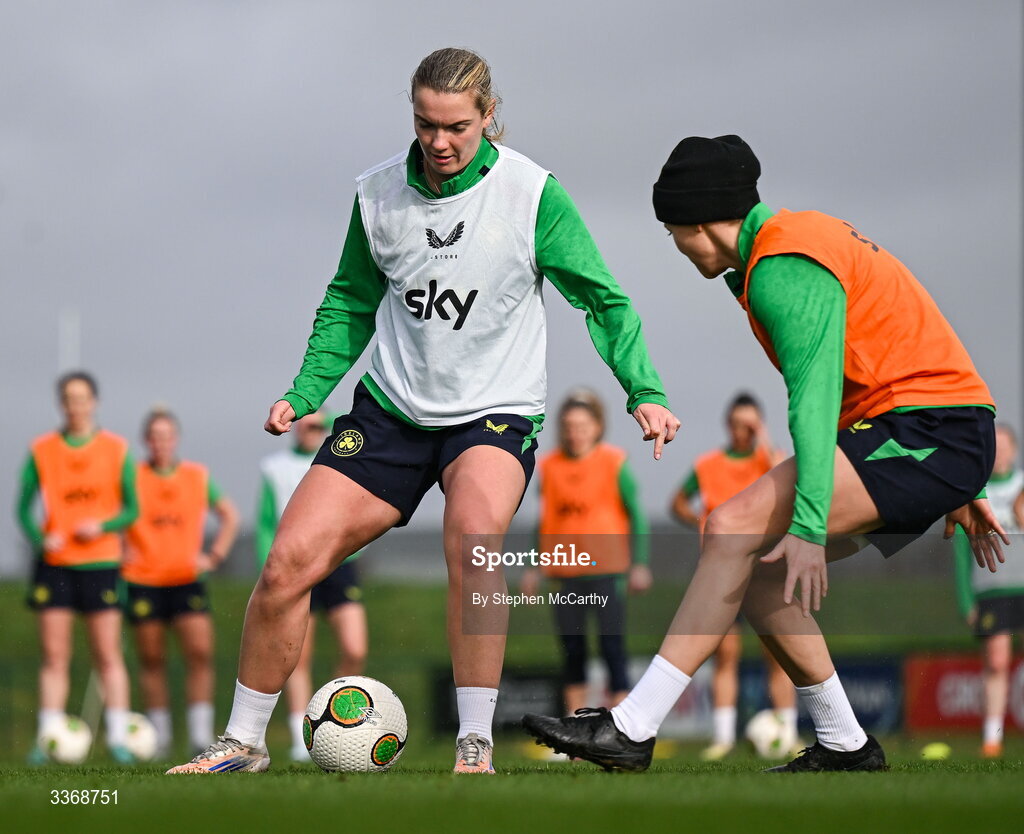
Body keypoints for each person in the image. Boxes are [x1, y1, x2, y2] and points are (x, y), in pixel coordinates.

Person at [167, 47, 678, 775]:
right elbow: (349, 301)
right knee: (285, 565)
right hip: (391, 414)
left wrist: (645, 391)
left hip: (493, 414)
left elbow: (604, 299)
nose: (439, 142)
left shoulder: (533, 194)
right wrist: (304, 392)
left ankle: (474, 744)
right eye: (425, 123)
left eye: (457, 127)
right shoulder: (377, 194)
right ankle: (242, 743)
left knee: (474, 541)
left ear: (489, 116)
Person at [523, 134, 1007, 773]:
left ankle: (632, 727)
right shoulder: (789, 245)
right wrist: (960, 482)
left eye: (673, 231)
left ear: (701, 222)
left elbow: (813, 399)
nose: (674, 246)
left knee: (730, 526)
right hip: (930, 436)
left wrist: (809, 525)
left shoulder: (783, 265)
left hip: (929, 434)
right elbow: (893, 357)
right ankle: (845, 744)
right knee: (755, 570)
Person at [18, 371, 140, 764]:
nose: (76, 405)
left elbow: (133, 510)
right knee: (54, 656)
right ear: (61, 404)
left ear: (94, 402)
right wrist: (41, 538)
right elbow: (22, 508)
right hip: (56, 565)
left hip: (101, 563)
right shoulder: (42, 450)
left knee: (107, 654)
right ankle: (46, 737)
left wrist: (103, 526)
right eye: (69, 398)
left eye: (83, 397)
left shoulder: (116, 449)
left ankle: (119, 738)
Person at [671, 392, 795, 759]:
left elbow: (790, 483)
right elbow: (679, 501)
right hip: (724, 571)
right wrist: (701, 522)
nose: (745, 431)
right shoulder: (708, 464)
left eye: (752, 424)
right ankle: (723, 737)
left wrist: (766, 437)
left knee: (779, 652)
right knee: (726, 654)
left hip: (768, 566)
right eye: (740, 423)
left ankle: (786, 734)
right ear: (728, 424)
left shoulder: (770, 460)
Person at [522, 389, 652, 718]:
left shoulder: (614, 461)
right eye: (568, 426)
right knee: (572, 652)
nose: (574, 433)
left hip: (608, 571)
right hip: (565, 573)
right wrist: (534, 565)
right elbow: (543, 520)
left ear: (597, 427)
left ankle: (622, 728)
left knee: (612, 648)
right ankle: (575, 732)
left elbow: (637, 514)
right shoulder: (550, 466)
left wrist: (640, 563)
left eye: (582, 426)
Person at [122, 408, 240, 758]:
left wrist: (214, 556)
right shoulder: (131, 477)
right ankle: (159, 738)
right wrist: (118, 549)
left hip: (187, 578)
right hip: (143, 578)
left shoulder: (195, 476)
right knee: (152, 659)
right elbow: (112, 515)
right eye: (154, 436)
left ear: (176, 439)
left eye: (167, 436)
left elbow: (229, 515)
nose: (161, 443)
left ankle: (200, 735)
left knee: (200, 654)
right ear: (147, 440)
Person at [256, 410, 369, 761]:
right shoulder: (274, 468)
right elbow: (265, 521)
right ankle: (301, 737)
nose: (310, 431)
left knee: (354, 648)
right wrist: (271, 571)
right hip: (295, 566)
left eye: (318, 426)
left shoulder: (340, 462)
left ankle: (335, 719)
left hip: (338, 565)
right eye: (305, 425)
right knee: (297, 657)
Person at [953, 423, 1024, 758]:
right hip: (991, 589)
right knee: (996, 663)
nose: (1001, 453)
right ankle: (992, 738)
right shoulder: (973, 491)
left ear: (1015, 450)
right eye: (995, 447)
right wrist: (967, 600)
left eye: (1006, 446)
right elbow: (960, 551)